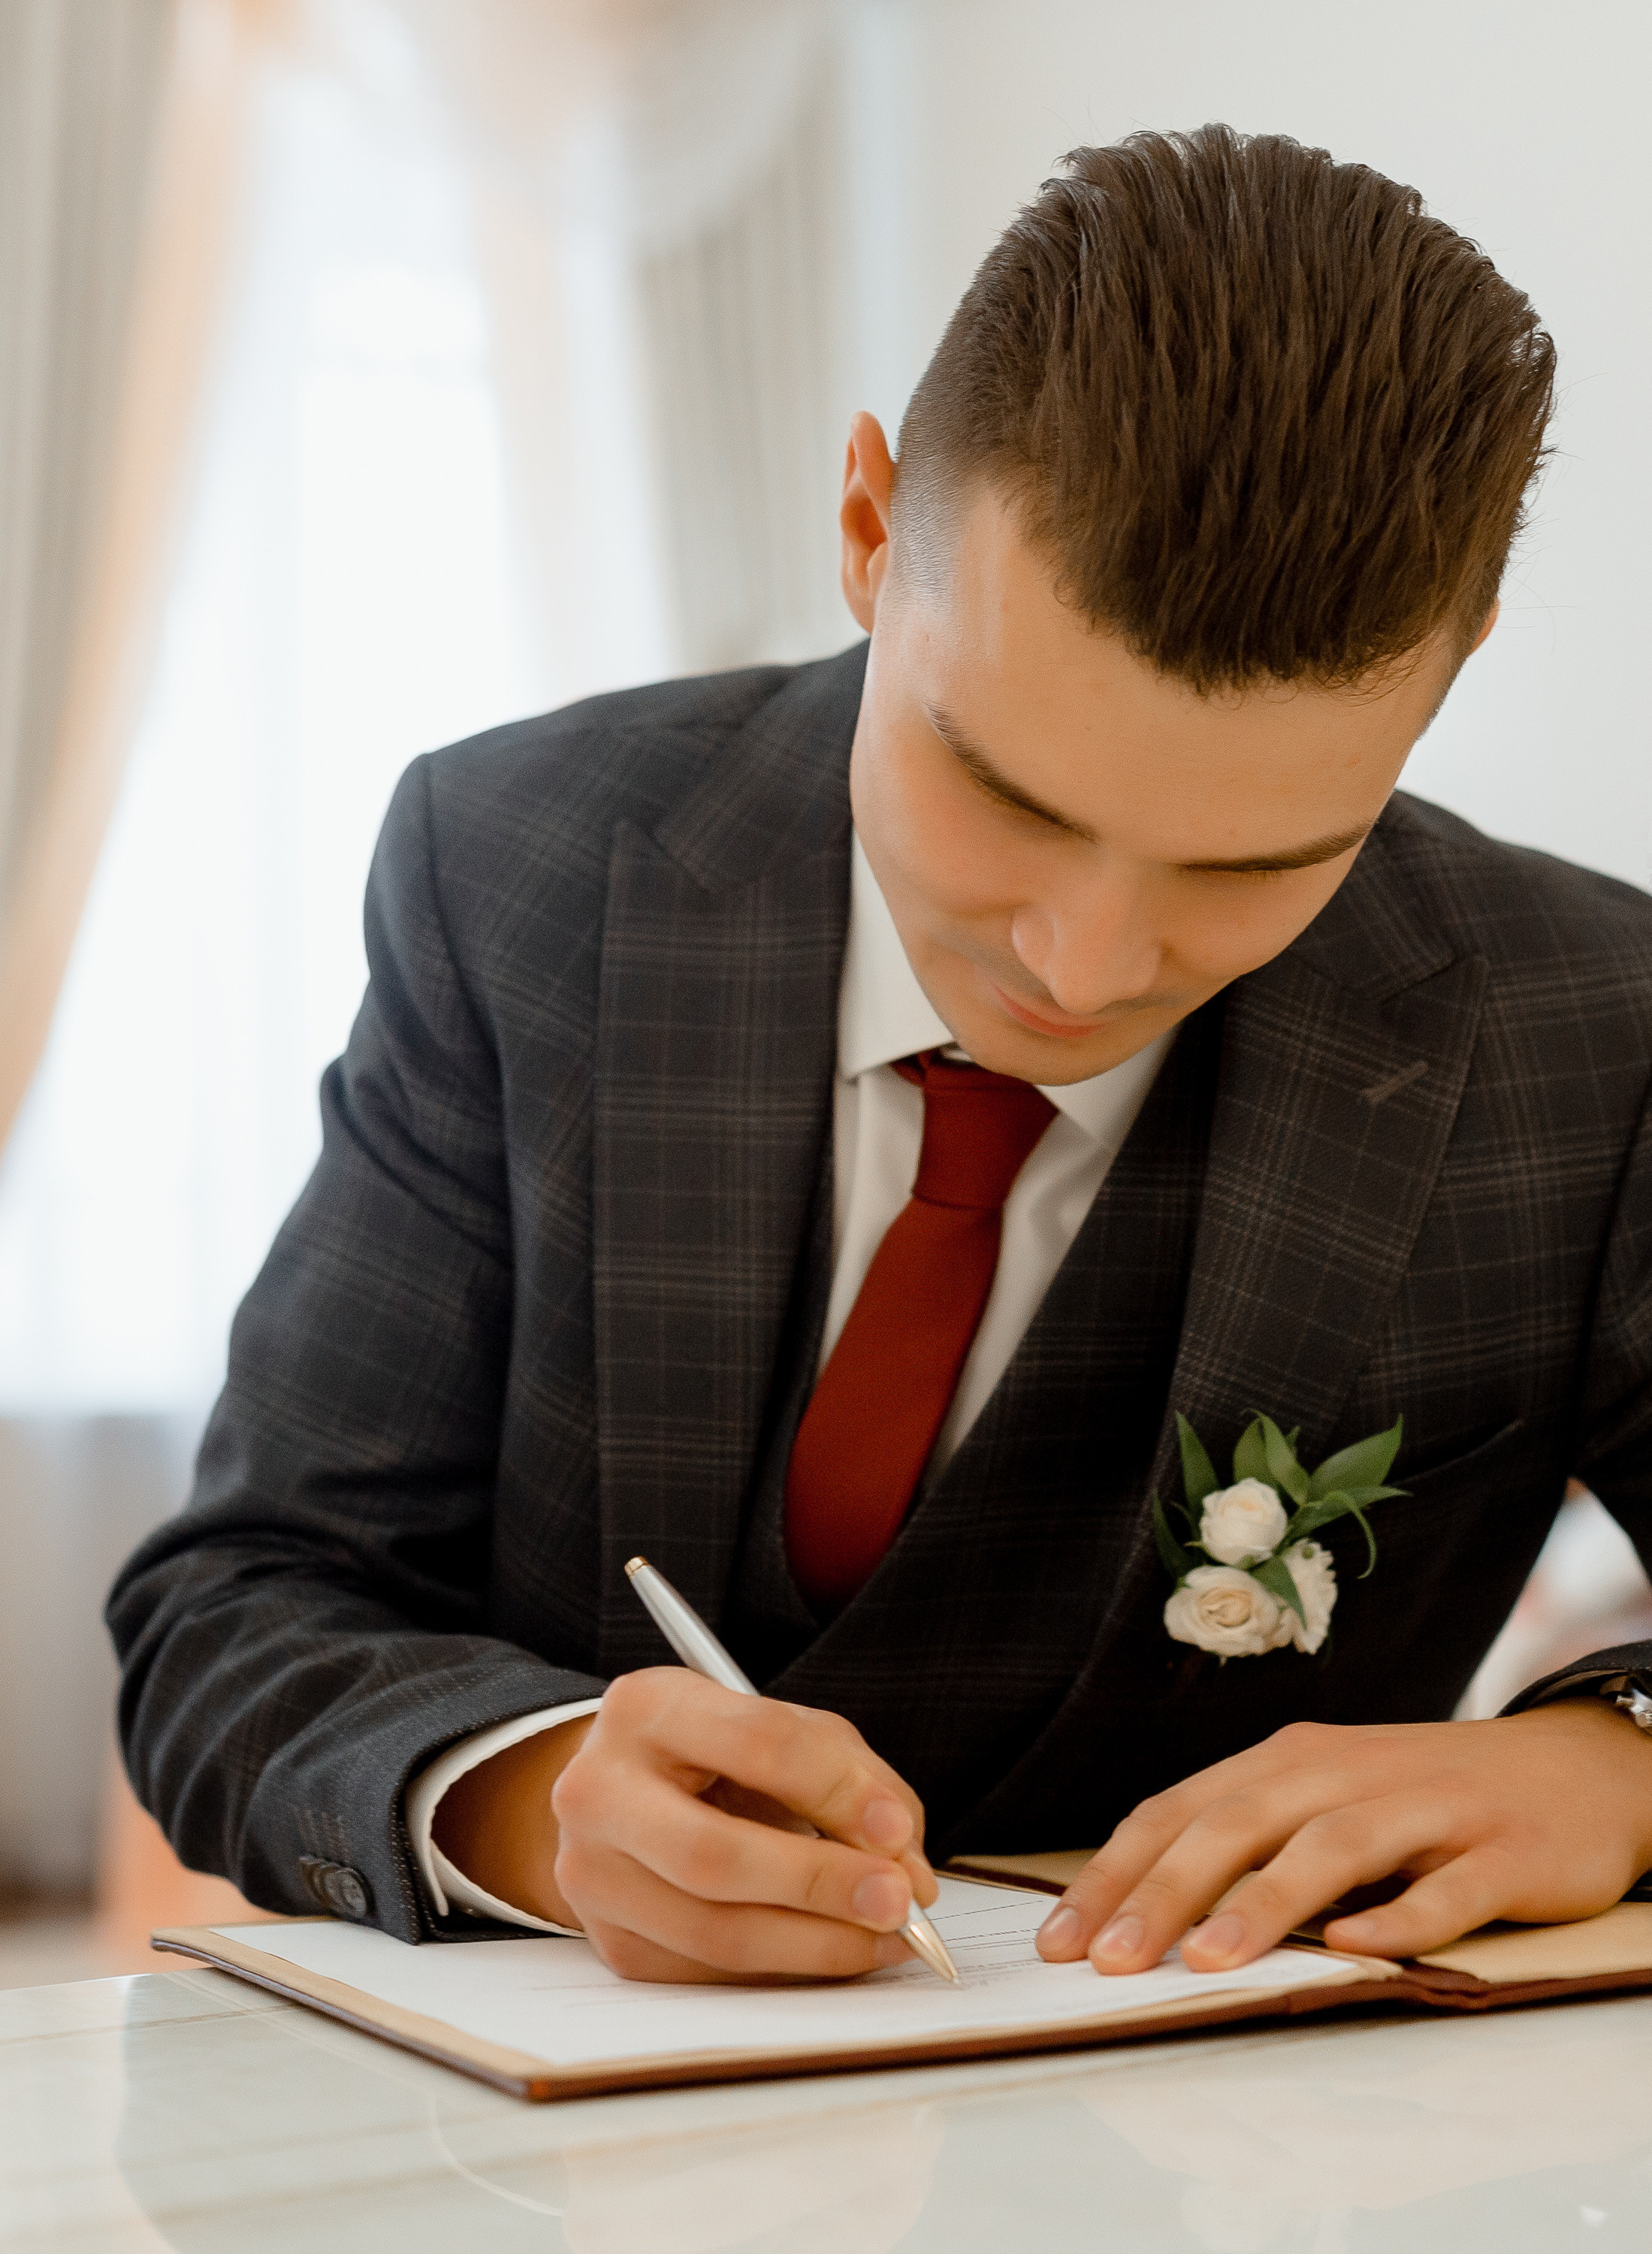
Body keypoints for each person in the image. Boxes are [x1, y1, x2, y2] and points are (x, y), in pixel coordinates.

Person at [108, 124, 1652, 1989]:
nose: (1079, 967)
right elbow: (233, 1612)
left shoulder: (1591, 1026)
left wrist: (1611, 1770)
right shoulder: (511, 867)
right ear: (863, 530)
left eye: (1254, 865)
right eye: (996, 794)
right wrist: (525, 1795)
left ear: (1452, 664)